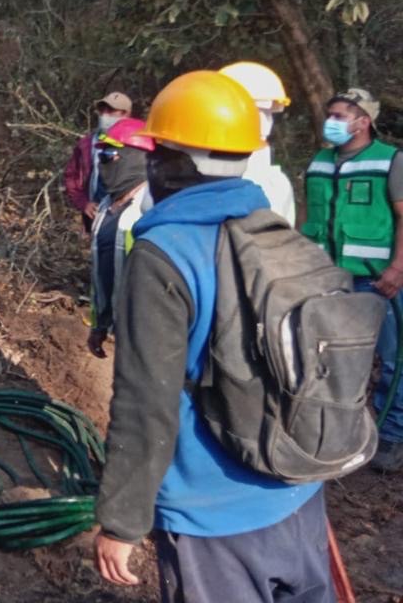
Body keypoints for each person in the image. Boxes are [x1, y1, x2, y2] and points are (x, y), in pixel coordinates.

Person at [94, 70, 331, 602]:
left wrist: (121, 522)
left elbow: (145, 401)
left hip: (213, 517)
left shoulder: (163, 256)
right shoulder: (276, 233)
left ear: (170, 162)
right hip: (298, 492)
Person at [301, 87, 403, 471]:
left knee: (393, 360)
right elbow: (309, 215)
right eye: (330, 114)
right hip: (326, 279)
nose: (331, 121)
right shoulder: (320, 161)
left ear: (363, 122)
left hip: (377, 280)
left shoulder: (390, 160)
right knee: (331, 360)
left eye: (340, 115)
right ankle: (335, 433)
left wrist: (398, 268)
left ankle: (392, 436)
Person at [85, 117, 153, 359]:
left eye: (109, 155)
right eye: (100, 156)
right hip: (119, 330)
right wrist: (99, 324)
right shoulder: (105, 207)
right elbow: (101, 272)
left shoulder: (151, 211)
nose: (102, 163)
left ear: (135, 157)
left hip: (145, 335)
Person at [219, 60, 296, 225]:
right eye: (256, 111)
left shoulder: (277, 182)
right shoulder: (202, 174)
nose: (266, 122)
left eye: (269, 113)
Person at [64, 92, 132, 232]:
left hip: (129, 215)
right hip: (96, 216)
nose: (105, 115)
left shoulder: (137, 143)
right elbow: (72, 176)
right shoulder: (87, 144)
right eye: (102, 110)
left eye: (111, 110)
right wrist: (84, 203)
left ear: (125, 114)